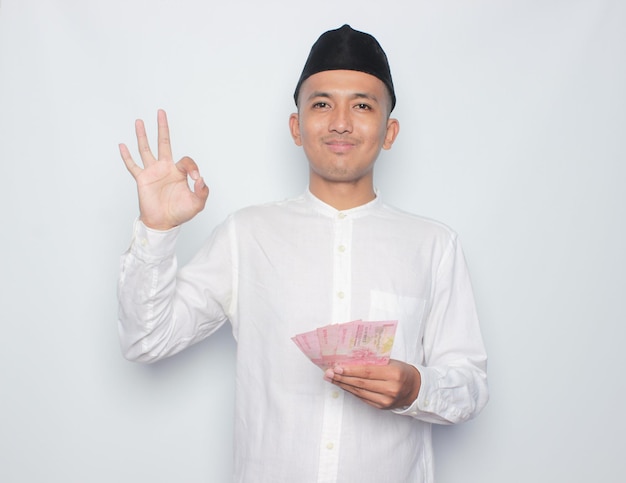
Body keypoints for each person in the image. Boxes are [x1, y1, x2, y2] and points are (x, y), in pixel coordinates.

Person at [118, 24, 488, 483]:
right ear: (296, 126)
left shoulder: (434, 245)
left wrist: (417, 387)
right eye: (321, 104)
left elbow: (470, 385)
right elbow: (146, 341)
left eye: (362, 105)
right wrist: (156, 228)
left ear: (389, 132)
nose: (340, 121)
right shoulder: (246, 234)